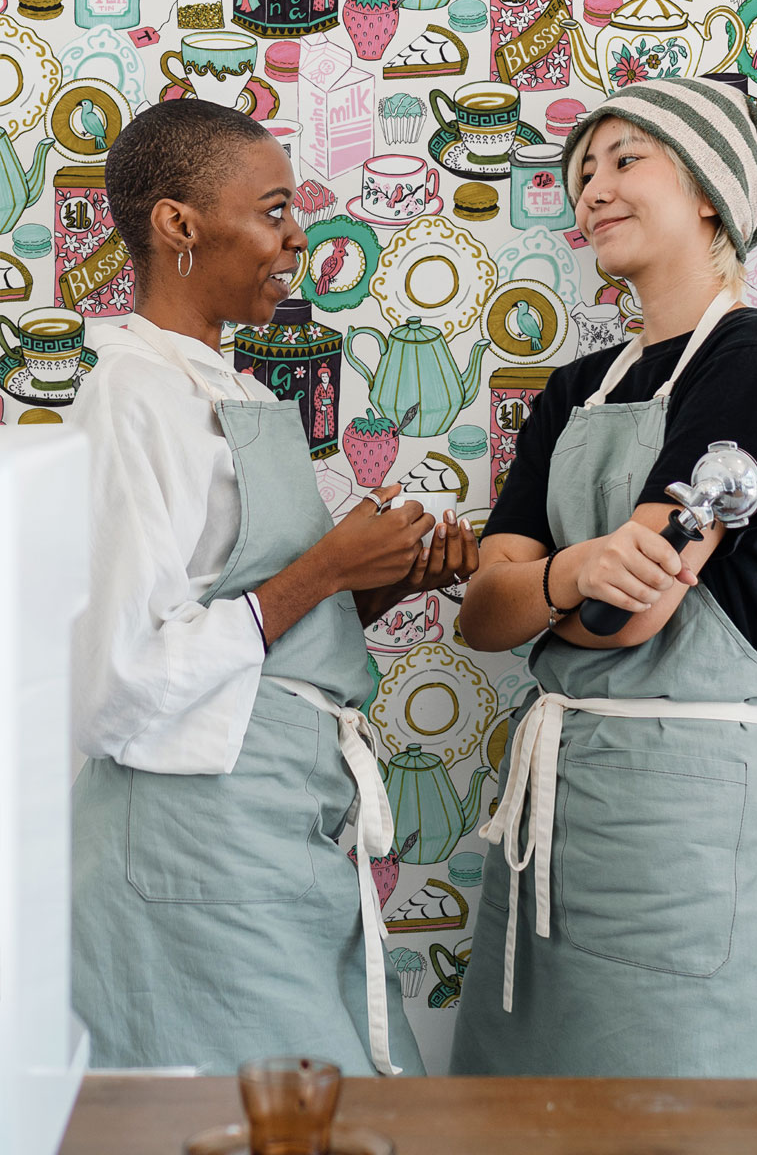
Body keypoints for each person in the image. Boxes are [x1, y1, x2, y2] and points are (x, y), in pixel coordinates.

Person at [69, 99, 478, 1076]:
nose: (298, 237)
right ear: (178, 224)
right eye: (273, 210)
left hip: (275, 822)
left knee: (331, 1107)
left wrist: (373, 586)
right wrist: (327, 568)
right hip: (190, 838)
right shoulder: (129, 394)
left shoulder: (239, 391)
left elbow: (265, 632)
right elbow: (118, 684)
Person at [449, 77, 757, 1078]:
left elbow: (630, 613)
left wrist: (547, 586)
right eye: (582, 174)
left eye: (624, 161)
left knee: (673, 1110)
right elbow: (482, 616)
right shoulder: (575, 389)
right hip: (553, 805)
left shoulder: (753, 359)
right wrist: (578, 570)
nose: (592, 191)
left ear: (707, 190)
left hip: (673, 819)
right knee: (524, 1116)